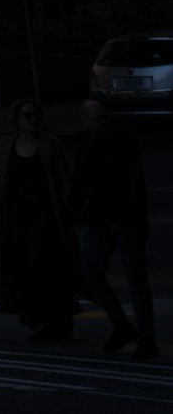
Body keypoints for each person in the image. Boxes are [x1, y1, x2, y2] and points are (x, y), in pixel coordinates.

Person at [0, 98, 77, 341]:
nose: (33, 120)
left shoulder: (50, 145)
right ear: (17, 120)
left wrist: (71, 211)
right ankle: (38, 319)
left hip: (46, 218)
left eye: (36, 115)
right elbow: (0, 183)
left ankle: (58, 321)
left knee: (49, 269)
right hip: (18, 218)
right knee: (25, 270)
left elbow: (64, 180)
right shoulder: (6, 145)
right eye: (27, 116)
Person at [69, 99, 156, 359]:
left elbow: (133, 179)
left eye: (103, 117)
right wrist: (75, 211)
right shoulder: (84, 143)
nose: (102, 122)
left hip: (126, 219)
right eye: (96, 118)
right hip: (99, 217)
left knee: (136, 279)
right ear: (85, 122)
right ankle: (120, 324)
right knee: (90, 270)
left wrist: (126, 213)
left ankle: (146, 338)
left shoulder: (122, 140)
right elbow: (80, 179)